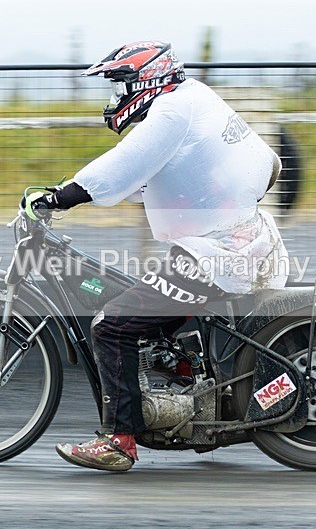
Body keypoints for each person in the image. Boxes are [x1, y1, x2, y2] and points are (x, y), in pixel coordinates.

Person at [23, 40, 288, 471]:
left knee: (112, 325)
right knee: (144, 301)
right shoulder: (194, 95)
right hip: (246, 240)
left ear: (146, 80)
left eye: (121, 86)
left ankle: (120, 441)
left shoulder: (169, 113)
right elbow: (266, 165)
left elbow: (123, 165)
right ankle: (185, 379)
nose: (116, 98)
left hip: (218, 254)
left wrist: (61, 196)